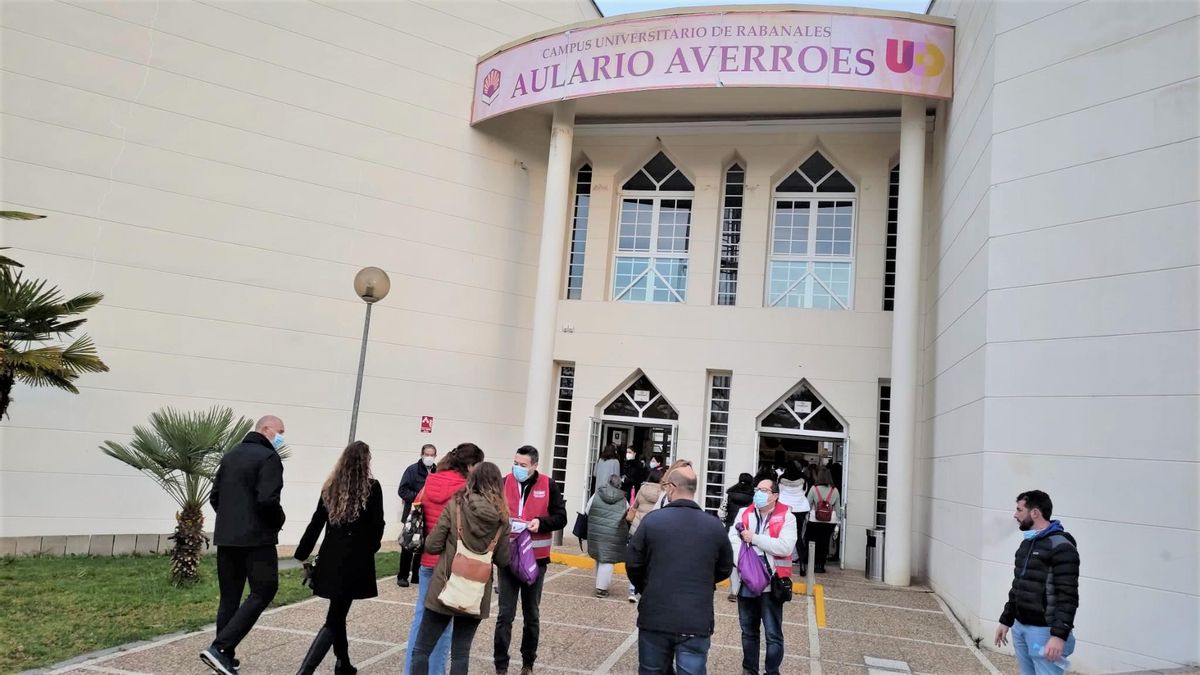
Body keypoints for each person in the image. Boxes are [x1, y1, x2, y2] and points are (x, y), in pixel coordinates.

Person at [626, 466, 733, 675]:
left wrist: (646, 587)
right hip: (696, 618)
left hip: (655, 615)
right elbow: (725, 568)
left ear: (672, 488)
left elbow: (633, 562)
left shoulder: (652, 521)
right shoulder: (714, 526)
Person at [202, 415, 287, 675]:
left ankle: (224, 656)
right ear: (265, 429)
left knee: (230, 596)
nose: (282, 436)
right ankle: (220, 647)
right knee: (265, 589)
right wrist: (278, 520)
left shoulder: (230, 456)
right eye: (280, 431)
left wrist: (230, 520)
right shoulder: (269, 458)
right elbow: (267, 500)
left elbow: (214, 496)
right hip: (257, 538)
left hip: (227, 537)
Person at [293, 441, 385, 675]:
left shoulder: (331, 487)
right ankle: (306, 670)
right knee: (336, 616)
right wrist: (371, 548)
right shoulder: (372, 488)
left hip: (330, 558)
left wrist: (302, 552)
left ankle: (343, 662)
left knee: (337, 611)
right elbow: (377, 525)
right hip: (355, 561)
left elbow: (317, 522)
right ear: (366, 462)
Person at [411, 462, 511, 675]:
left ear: (472, 480)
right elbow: (503, 559)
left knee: (421, 650)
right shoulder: (502, 519)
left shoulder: (456, 505)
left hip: (446, 584)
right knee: (460, 654)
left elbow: (432, 545)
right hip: (475, 592)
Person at [403, 443, 485, 675]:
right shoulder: (466, 490)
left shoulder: (430, 482)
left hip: (427, 561)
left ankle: (411, 671)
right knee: (444, 625)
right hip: (453, 564)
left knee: (421, 620)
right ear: (470, 466)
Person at [494, 445, 567, 675]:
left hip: (536, 559)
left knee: (531, 614)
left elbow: (561, 517)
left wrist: (540, 523)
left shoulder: (548, 484)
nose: (518, 468)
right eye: (515, 463)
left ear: (534, 465)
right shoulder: (504, 482)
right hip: (507, 557)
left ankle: (528, 663)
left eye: (523, 465)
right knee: (505, 614)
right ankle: (501, 665)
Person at [993, 490, 1079, 675]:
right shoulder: (1027, 544)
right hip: (1020, 627)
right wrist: (1006, 620)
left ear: (1035, 512)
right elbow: (1018, 585)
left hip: (1044, 632)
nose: (1015, 515)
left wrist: (1058, 636)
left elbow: (1068, 595)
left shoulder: (1061, 546)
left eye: (1019, 510)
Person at [729, 478, 796, 675]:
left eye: (764, 490)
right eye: (757, 489)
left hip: (772, 584)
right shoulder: (745, 513)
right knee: (748, 632)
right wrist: (744, 562)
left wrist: (754, 539)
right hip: (746, 582)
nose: (759, 493)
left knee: (773, 634)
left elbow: (785, 546)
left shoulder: (787, 517)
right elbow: (732, 540)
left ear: (775, 496)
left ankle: (771, 671)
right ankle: (749, 670)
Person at [398, 444, 438, 587]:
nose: (429, 457)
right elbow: (402, 490)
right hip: (413, 514)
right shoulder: (412, 470)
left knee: (422, 547)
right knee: (408, 545)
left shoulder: (437, 471)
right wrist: (418, 497)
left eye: (432, 454)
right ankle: (402, 575)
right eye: (427, 454)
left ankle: (416, 575)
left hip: (428, 514)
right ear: (421, 454)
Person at [586, 473, 630, 597]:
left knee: (599, 557)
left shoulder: (597, 494)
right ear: (619, 485)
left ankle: (599, 585)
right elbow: (627, 516)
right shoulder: (623, 499)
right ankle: (602, 588)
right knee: (608, 560)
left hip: (597, 532)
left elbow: (587, 510)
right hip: (613, 534)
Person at [625, 466, 664, 603]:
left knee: (636, 560)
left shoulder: (642, 489)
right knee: (650, 560)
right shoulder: (663, 492)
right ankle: (646, 589)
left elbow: (634, 506)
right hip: (654, 529)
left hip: (638, 528)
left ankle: (632, 589)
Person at [719, 473, 756, 602]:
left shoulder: (729, 493)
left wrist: (727, 522)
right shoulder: (754, 496)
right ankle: (744, 588)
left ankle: (734, 591)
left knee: (734, 561)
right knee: (748, 558)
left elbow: (721, 512)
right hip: (747, 530)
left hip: (731, 529)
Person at [803, 468, 841, 574]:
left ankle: (812, 563)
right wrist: (838, 522)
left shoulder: (814, 489)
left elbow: (808, 504)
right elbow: (838, 509)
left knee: (812, 541)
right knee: (824, 543)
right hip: (829, 522)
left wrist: (806, 516)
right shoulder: (835, 490)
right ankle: (821, 565)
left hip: (814, 519)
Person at [777, 461, 810, 565]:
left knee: (783, 533)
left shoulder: (781, 479)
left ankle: (784, 556)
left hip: (785, 508)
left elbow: (779, 492)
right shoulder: (803, 479)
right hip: (801, 508)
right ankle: (802, 561)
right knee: (799, 535)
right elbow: (805, 492)